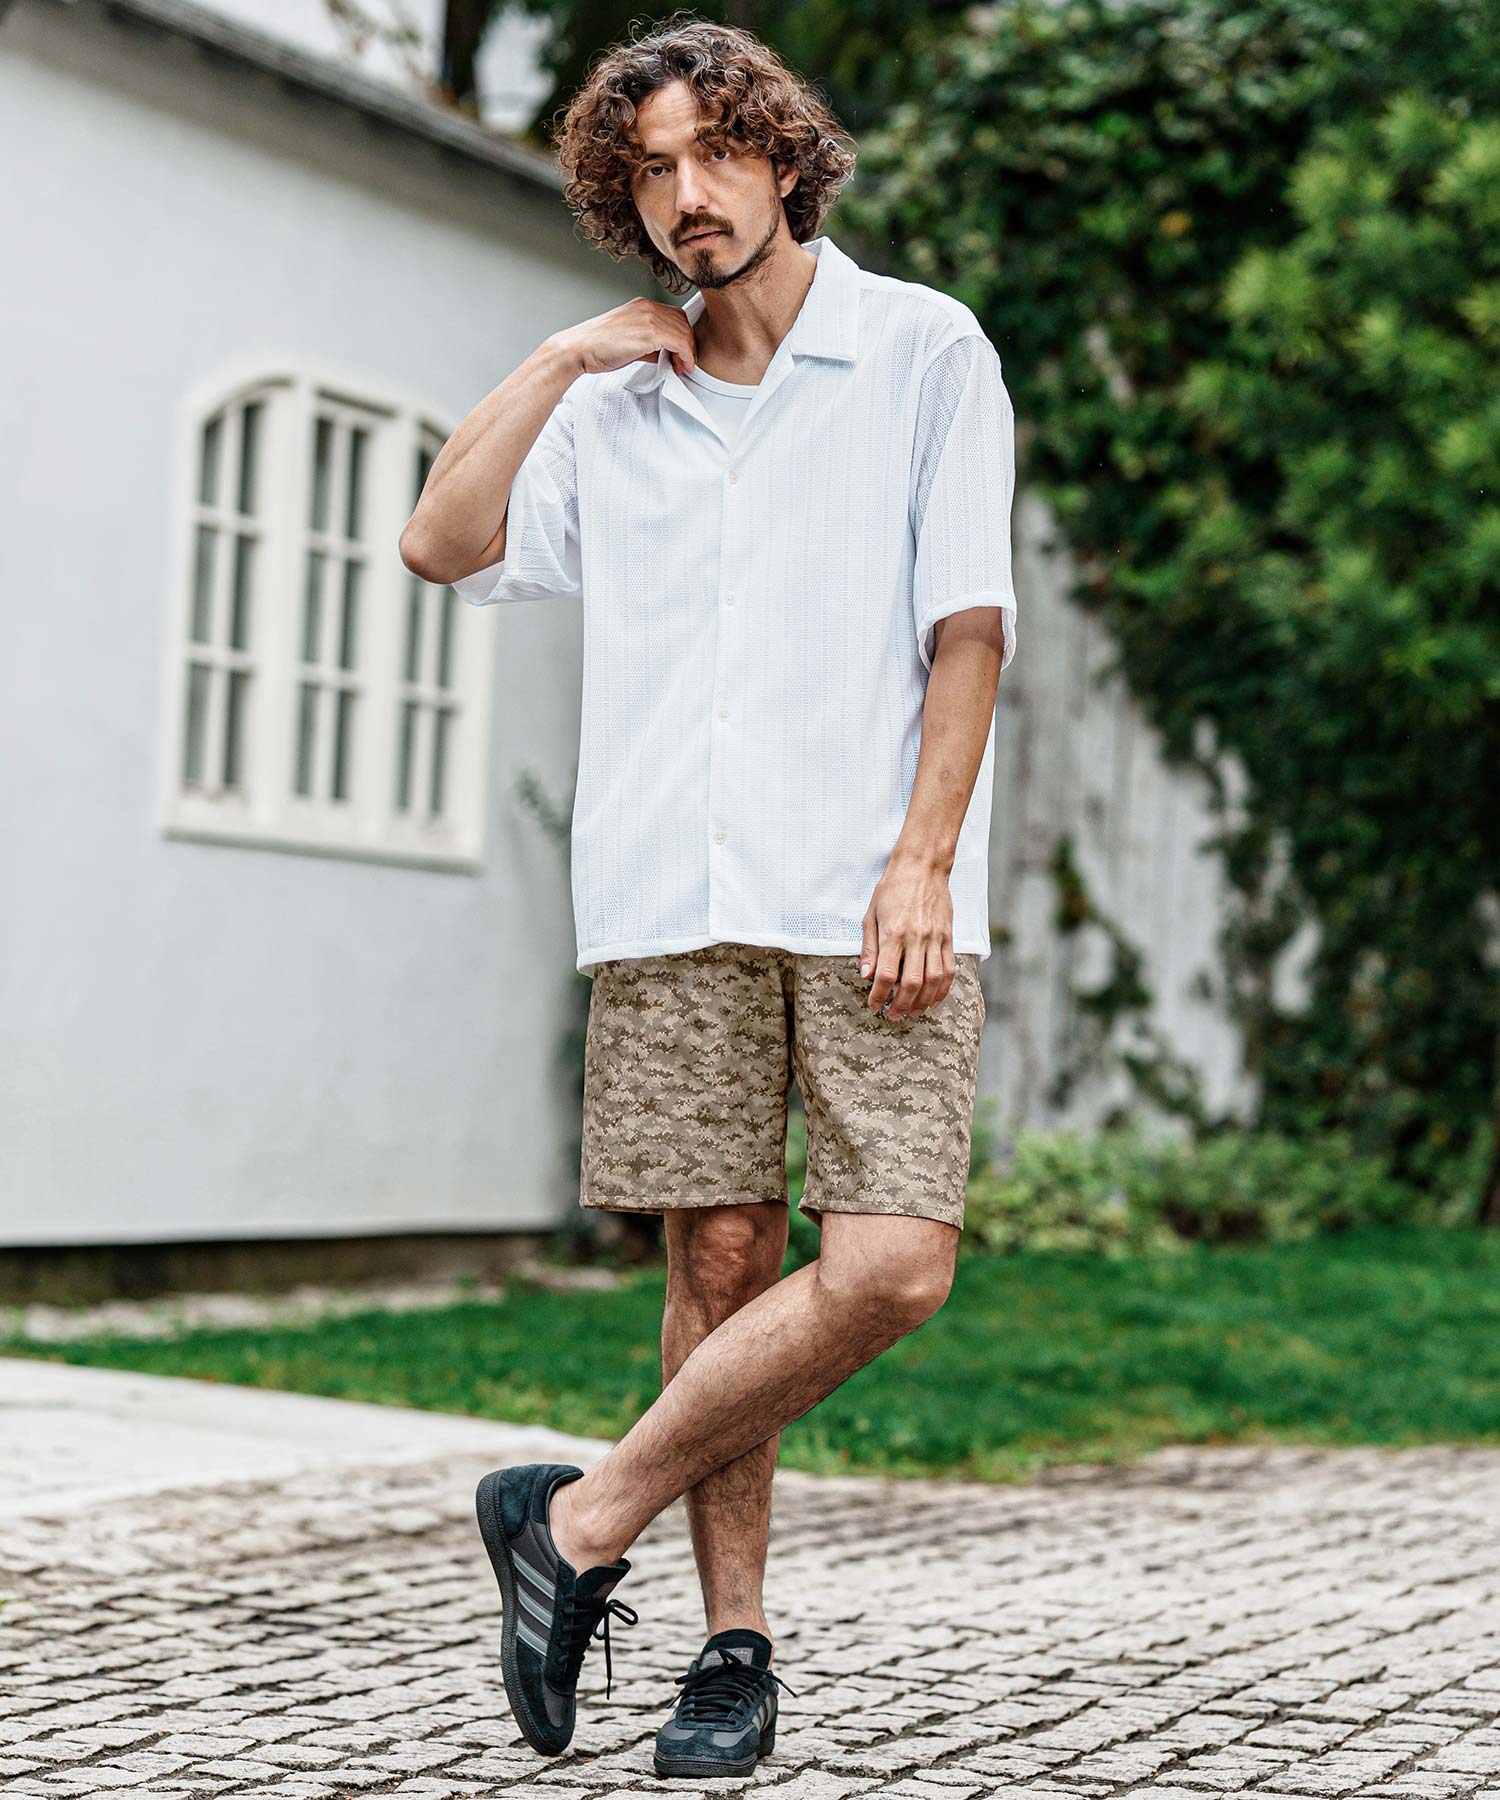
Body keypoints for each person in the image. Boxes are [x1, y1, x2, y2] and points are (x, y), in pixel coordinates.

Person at [399, 16, 1017, 1782]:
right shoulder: (614, 406)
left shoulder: (923, 350)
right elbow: (442, 543)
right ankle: (729, 1650)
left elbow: (968, 626)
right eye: (652, 170)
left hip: (875, 888)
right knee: (724, 1262)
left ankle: (574, 1521)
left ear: (785, 156)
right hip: (670, 889)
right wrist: (559, 357)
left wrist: (924, 856)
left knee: (892, 1264)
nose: (689, 195)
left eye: (717, 153)